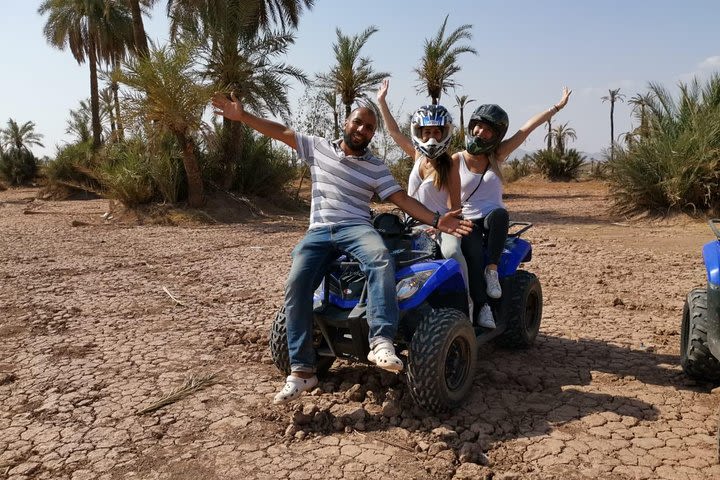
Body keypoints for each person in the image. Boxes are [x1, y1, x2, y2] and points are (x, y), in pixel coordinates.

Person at [211, 92, 473, 405]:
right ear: (346, 123)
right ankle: (302, 371)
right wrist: (244, 117)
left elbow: (400, 200)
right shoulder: (318, 147)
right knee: (296, 285)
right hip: (319, 232)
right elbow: (280, 132)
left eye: (370, 127)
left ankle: (381, 340)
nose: (363, 129)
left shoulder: (376, 167)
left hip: (356, 229)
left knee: (380, 259)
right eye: (359, 123)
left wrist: (436, 219)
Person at [457, 87, 572, 329]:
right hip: (466, 219)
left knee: (500, 214)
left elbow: (527, 128)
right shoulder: (456, 159)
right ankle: (482, 306)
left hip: (491, 219)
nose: (481, 132)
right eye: (478, 126)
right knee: (472, 258)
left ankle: (493, 271)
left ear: (495, 136)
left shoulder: (497, 156)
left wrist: (557, 106)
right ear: (471, 126)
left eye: (488, 130)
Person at [376, 79, 470, 296]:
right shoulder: (417, 156)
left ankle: (467, 299)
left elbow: (456, 209)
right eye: (426, 132)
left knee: (452, 252)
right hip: (412, 224)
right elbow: (394, 132)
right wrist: (381, 101)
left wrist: (438, 227)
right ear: (419, 133)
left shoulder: (450, 166)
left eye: (436, 133)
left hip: (442, 226)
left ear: (444, 134)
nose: (431, 138)